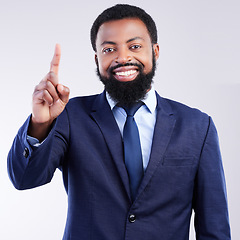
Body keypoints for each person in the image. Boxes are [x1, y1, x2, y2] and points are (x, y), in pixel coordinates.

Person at [7, 4, 231, 240]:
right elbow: (24, 179)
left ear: (155, 51)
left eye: (134, 46)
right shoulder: (69, 116)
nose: (122, 58)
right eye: (109, 49)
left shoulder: (197, 126)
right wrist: (40, 123)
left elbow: (214, 227)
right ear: (97, 59)